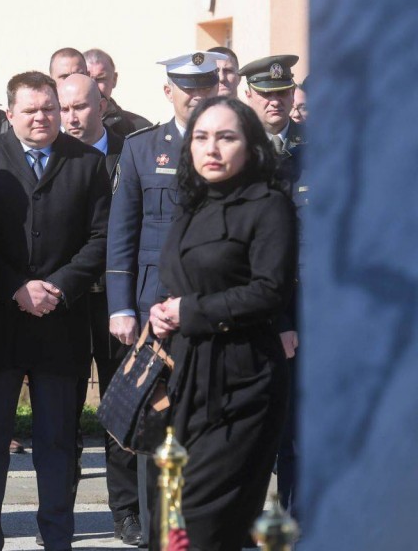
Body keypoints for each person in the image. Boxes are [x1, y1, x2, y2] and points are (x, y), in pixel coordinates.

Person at [0, 71, 111, 551]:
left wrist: (59, 287)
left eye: (49, 108)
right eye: (29, 110)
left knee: (57, 444)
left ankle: (57, 538)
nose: (42, 117)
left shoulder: (88, 162)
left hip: (61, 325)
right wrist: (17, 288)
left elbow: (101, 238)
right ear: (9, 114)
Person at [149, 95, 295, 550]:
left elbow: (269, 291)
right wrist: (161, 310)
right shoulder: (191, 206)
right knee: (168, 523)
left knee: (201, 523)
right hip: (185, 380)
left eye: (226, 137)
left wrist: (189, 311)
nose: (212, 148)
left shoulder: (269, 206)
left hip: (243, 383)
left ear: (250, 147)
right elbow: (180, 280)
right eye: (202, 137)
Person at [105, 50, 224, 545]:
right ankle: (147, 521)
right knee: (148, 415)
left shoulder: (232, 145)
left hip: (212, 305)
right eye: (185, 87)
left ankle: (201, 518)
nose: (195, 95)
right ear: (168, 91)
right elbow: (122, 232)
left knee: (207, 415)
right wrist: (121, 306)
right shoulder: (141, 148)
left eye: (204, 86)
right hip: (152, 309)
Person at [57, 73, 140, 545]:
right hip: (68, 305)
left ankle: (125, 510)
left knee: (120, 409)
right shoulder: (55, 157)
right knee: (61, 412)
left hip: (118, 304)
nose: (71, 117)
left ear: (102, 103)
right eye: (64, 107)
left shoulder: (130, 152)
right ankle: (60, 509)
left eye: (81, 107)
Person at [240, 54, 308, 516]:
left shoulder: (316, 147)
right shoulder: (233, 150)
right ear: (249, 95)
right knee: (250, 423)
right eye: (266, 94)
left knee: (299, 426)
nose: (275, 102)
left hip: (310, 307)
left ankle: (295, 516)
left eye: (282, 94)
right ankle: (242, 520)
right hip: (252, 308)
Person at [84, 48, 152, 137]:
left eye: (100, 79)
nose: (93, 86)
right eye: (86, 79)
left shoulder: (140, 130)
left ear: (114, 79)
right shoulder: (61, 126)